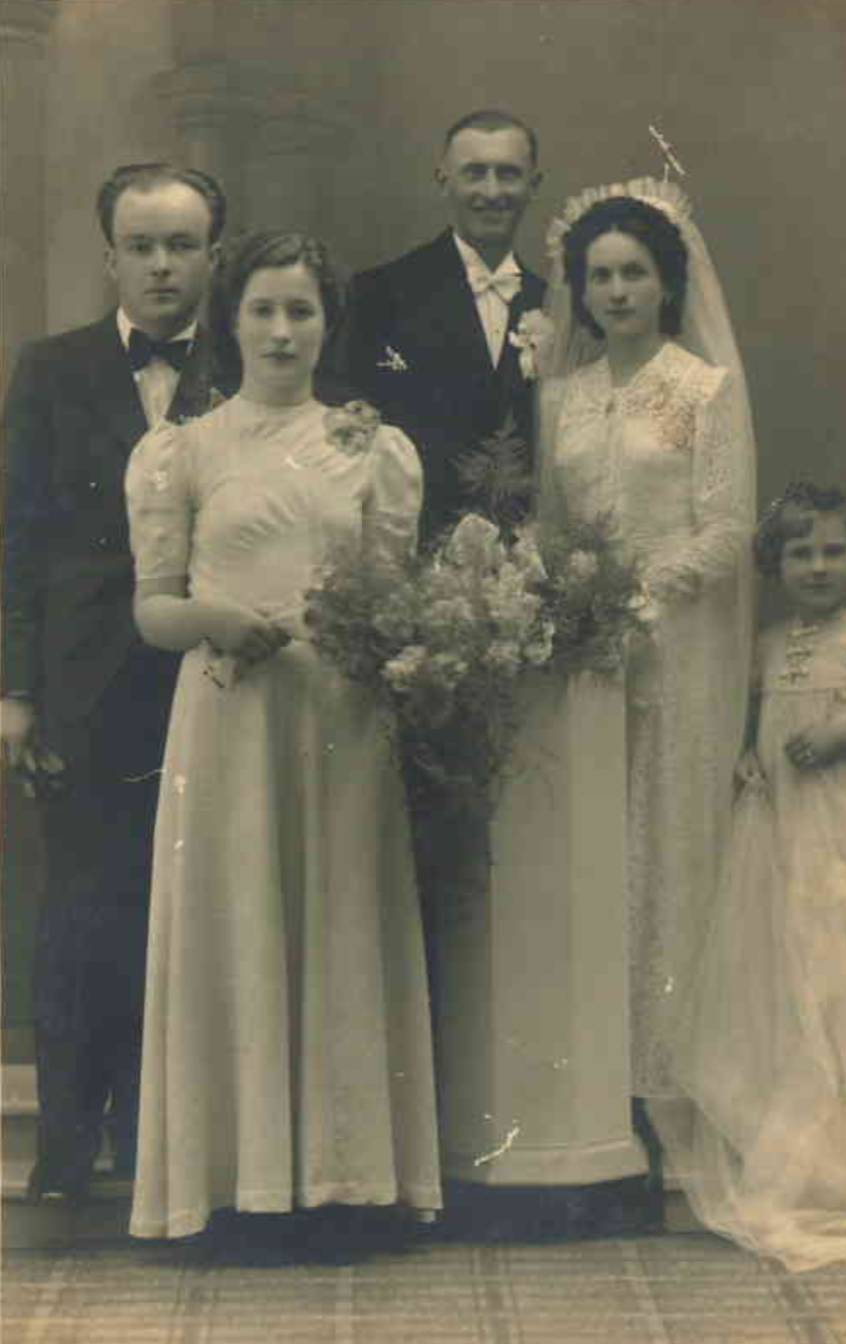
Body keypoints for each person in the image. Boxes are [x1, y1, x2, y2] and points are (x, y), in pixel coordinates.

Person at [125, 230, 441, 1239]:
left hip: (341, 723)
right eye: (261, 308)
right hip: (229, 718)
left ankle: (344, 1188)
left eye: (300, 310)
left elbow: (397, 600)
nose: (279, 330)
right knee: (236, 925)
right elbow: (151, 613)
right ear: (231, 319)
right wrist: (217, 620)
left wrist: (372, 632)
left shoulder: (370, 450)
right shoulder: (184, 449)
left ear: (327, 324)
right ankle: (236, 1190)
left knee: (340, 922)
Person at [0, 162, 229, 1201]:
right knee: (81, 914)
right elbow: (15, 537)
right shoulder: (52, 369)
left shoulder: (253, 358)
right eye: (142, 246)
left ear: (212, 258)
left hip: (210, 676)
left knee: (184, 910)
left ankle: (157, 1144)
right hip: (85, 680)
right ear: (110, 258)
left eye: (182, 245)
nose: (162, 265)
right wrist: (15, 691)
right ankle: (62, 1149)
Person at [536, 178, 756, 1151]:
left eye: (632, 274)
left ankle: (668, 1089)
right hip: (583, 659)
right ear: (578, 293)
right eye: (598, 277)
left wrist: (643, 595)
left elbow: (726, 530)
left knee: (666, 846)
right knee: (591, 853)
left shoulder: (701, 391)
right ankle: (596, 1092)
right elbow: (551, 527)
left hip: (674, 655)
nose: (615, 292)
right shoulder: (564, 399)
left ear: (665, 286)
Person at [668, 484, 846, 1271]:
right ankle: (804, 1162)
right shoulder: (764, 645)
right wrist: (746, 754)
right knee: (787, 983)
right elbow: (756, 727)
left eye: (833, 550)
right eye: (801, 552)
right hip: (779, 838)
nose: (818, 565)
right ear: (777, 563)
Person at [326, 109, 545, 544]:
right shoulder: (379, 293)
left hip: (525, 563)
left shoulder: (555, 303)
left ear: (533, 185)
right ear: (443, 180)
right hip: (408, 551)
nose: (492, 191)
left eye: (508, 174)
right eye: (474, 173)